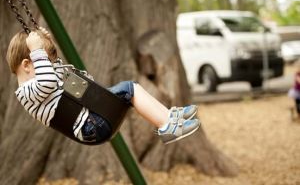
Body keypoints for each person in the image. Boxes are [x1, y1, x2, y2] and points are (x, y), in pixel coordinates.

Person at [6, 27, 200, 145]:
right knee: (130, 89)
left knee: (131, 89)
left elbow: (58, 72)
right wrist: (38, 50)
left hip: (93, 116)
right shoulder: (28, 92)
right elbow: (49, 80)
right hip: (91, 125)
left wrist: (44, 42)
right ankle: (167, 125)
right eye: (42, 61)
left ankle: (168, 118)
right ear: (27, 65)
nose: (47, 64)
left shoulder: (39, 82)